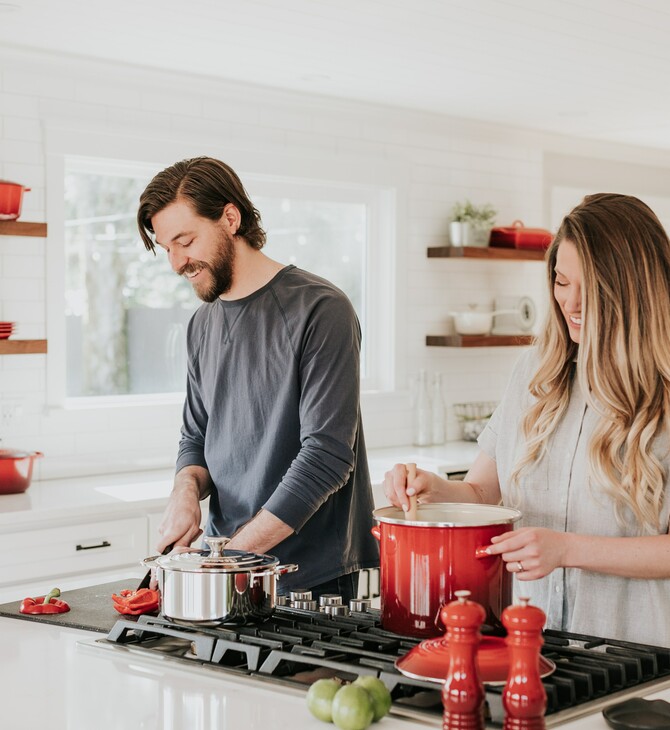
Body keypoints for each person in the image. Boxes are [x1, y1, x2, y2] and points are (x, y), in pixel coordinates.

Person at [384, 193, 670, 647]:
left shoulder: (663, 391)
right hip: (528, 643)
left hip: (636, 652)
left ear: (632, 288)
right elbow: (481, 492)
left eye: (589, 288)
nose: (569, 304)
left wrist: (569, 549)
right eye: (561, 282)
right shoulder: (536, 371)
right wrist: (432, 488)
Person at [137, 156, 379, 602]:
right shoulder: (201, 324)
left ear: (230, 218)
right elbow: (196, 437)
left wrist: (227, 561)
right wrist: (184, 492)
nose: (175, 263)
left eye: (184, 241)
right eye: (165, 247)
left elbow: (327, 457)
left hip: (309, 578)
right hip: (223, 566)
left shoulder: (321, 309)